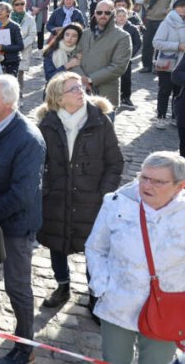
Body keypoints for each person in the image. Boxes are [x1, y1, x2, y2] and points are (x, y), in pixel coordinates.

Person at [85, 152, 185, 364]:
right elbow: (96, 247)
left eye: (158, 181)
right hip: (118, 302)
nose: (148, 186)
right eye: (144, 178)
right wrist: (101, 286)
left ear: (179, 186)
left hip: (167, 308)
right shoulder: (116, 203)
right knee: (114, 360)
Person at [36, 72, 124, 309]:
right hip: (56, 198)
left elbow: (115, 162)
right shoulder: (48, 124)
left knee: (93, 248)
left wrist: (103, 194)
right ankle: (62, 286)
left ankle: (94, 294)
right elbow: (37, 162)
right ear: (59, 98)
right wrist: (46, 189)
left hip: (91, 198)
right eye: (73, 89)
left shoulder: (100, 121)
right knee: (57, 243)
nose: (81, 91)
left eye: (81, 87)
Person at [0, 74, 46, 364]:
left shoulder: (28, 138)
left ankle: (25, 346)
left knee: (17, 285)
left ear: (9, 102)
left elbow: (22, 194)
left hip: (15, 225)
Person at [74, 0, 132, 114]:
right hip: (81, 91)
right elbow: (74, 58)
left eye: (107, 13)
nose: (103, 15)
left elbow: (118, 67)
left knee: (104, 131)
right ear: (95, 13)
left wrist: (90, 80)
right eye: (100, 12)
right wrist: (82, 79)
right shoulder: (85, 34)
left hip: (106, 94)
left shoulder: (123, 37)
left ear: (113, 14)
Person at [151, 0, 185, 129]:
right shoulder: (167, 22)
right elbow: (156, 42)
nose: (183, 9)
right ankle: (161, 116)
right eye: (180, 6)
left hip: (182, 65)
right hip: (168, 64)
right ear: (174, 7)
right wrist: (177, 46)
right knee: (164, 91)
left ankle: (176, 116)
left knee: (179, 92)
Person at [141, 0, 175, 73]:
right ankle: (147, 65)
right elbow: (145, 1)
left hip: (163, 20)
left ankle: (158, 66)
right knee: (147, 44)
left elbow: (174, 5)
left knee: (160, 45)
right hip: (151, 19)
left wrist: (166, 11)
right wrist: (147, 8)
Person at [0, 2, 24, 77]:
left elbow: (20, 46)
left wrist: (3, 47)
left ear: (8, 12)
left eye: (2, 9)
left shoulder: (15, 27)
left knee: (10, 85)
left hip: (11, 60)